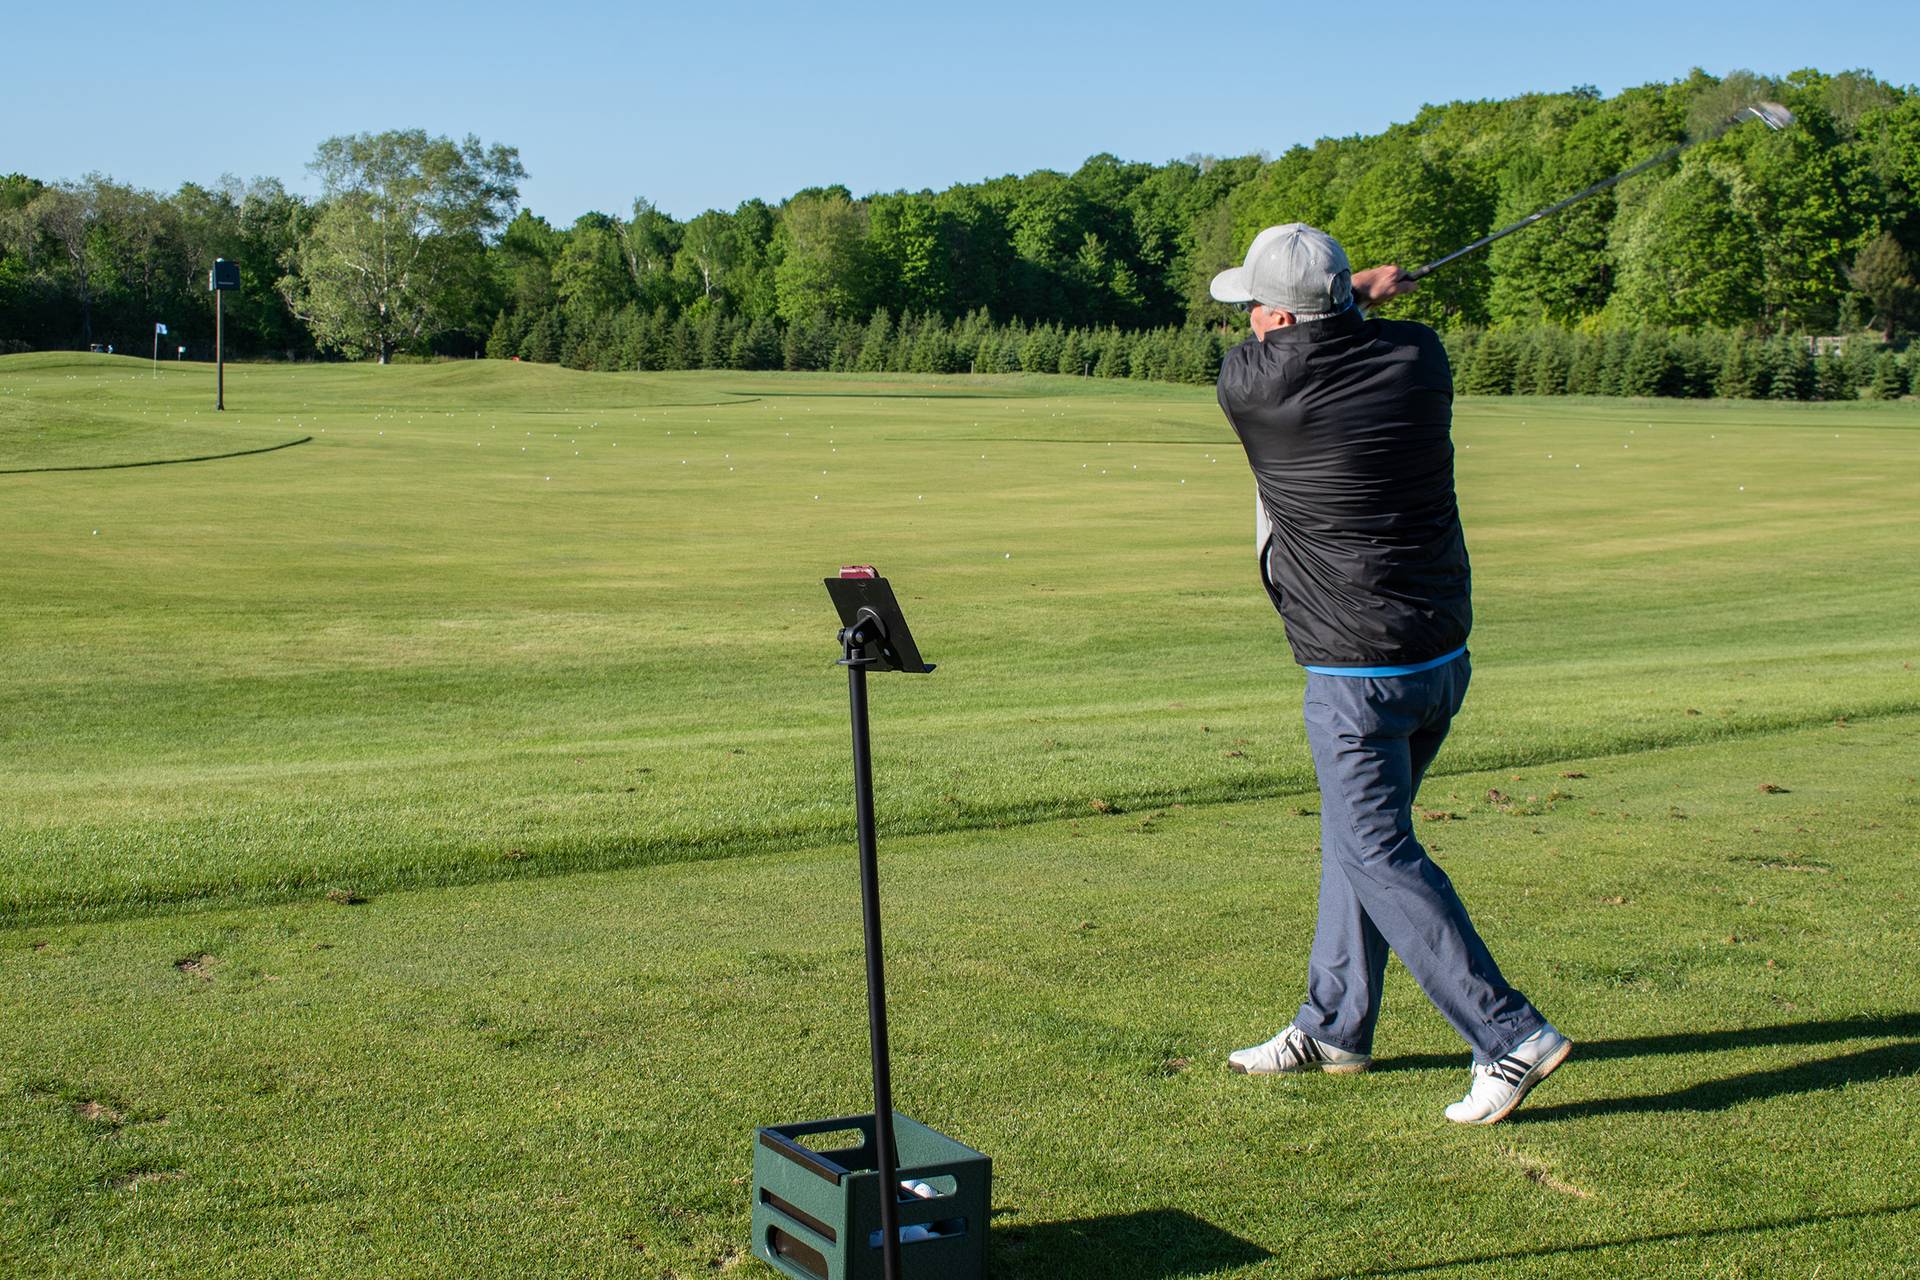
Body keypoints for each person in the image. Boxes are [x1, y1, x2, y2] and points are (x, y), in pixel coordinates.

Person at [1210, 223, 1569, 1125]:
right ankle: (1333, 1026)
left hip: (1354, 671)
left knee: (1376, 848)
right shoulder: (1419, 357)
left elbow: (1284, 342)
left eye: (1256, 303)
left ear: (1279, 315)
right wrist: (1355, 299)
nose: (1249, 317)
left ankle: (1508, 1034)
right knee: (1355, 837)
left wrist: (1359, 289)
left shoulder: (1254, 387)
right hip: (1440, 654)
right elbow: (1339, 327)